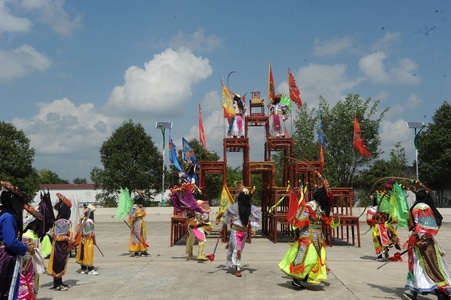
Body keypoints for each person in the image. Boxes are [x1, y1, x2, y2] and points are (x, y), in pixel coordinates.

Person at [278, 186, 332, 290]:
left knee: (317, 258)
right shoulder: (308, 206)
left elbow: (328, 222)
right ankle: (296, 279)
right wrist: (309, 216)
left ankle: (306, 277)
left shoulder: (321, 208)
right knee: (307, 258)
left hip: (319, 237)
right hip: (307, 236)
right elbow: (298, 218)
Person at [403, 188, 451, 300]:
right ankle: (436, 291)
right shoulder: (423, 207)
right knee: (428, 265)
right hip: (423, 240)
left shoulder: (416, 207)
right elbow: (423, 226)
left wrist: (421, 238)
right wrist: (423, 238)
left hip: (419, 240)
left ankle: (438, 291)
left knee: (425, 265)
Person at [0, 181, 36, 300]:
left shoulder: (5, 215)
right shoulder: (8, 217)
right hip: (6, 258)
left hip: (6, 256)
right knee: (7, 291)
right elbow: (10, 241)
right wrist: (26, 248)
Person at [221, 186, 261, 277]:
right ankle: (238, 268)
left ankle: (234, 263)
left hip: (244, 232)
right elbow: (227, 217)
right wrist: (224, 225)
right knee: (237, 249)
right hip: (235, 231)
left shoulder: (250, 208)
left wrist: (254, 228)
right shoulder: (234, 207)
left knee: (239, 249)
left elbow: (254, 219)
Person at [47, 193, 73, 291]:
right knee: (58, 263)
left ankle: (59, 281)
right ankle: (57, 284)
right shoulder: (61, 222)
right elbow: (57, 237)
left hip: (63, 246)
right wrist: (68, 239)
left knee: (61, 263)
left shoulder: (64, 221)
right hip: (59, 246)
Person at [19, 216, 46, 300]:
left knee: (22, 285)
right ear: (34, 226)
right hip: (31, 264)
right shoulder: (34, 237)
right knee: (31, 284)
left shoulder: (22, 235)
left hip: (22, 264)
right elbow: (39, 252)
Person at [75, 204, 98, 275]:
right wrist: (94, 240)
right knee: (88, 254)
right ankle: (90, 269)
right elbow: (90, 233)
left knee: (83, 253)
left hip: (82, 239)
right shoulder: (89, 221)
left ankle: (83, 268)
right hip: (88, 240)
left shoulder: (83, 220)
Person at [128, 191, 149, 257]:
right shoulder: (134, 208)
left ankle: (143, 250)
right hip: (136, 223)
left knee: (142, 236)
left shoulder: (140, 207)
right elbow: (132, 217)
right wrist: (131, 226)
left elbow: (143, 214)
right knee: (136, 237)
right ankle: (136, 250)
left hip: (141, 223)